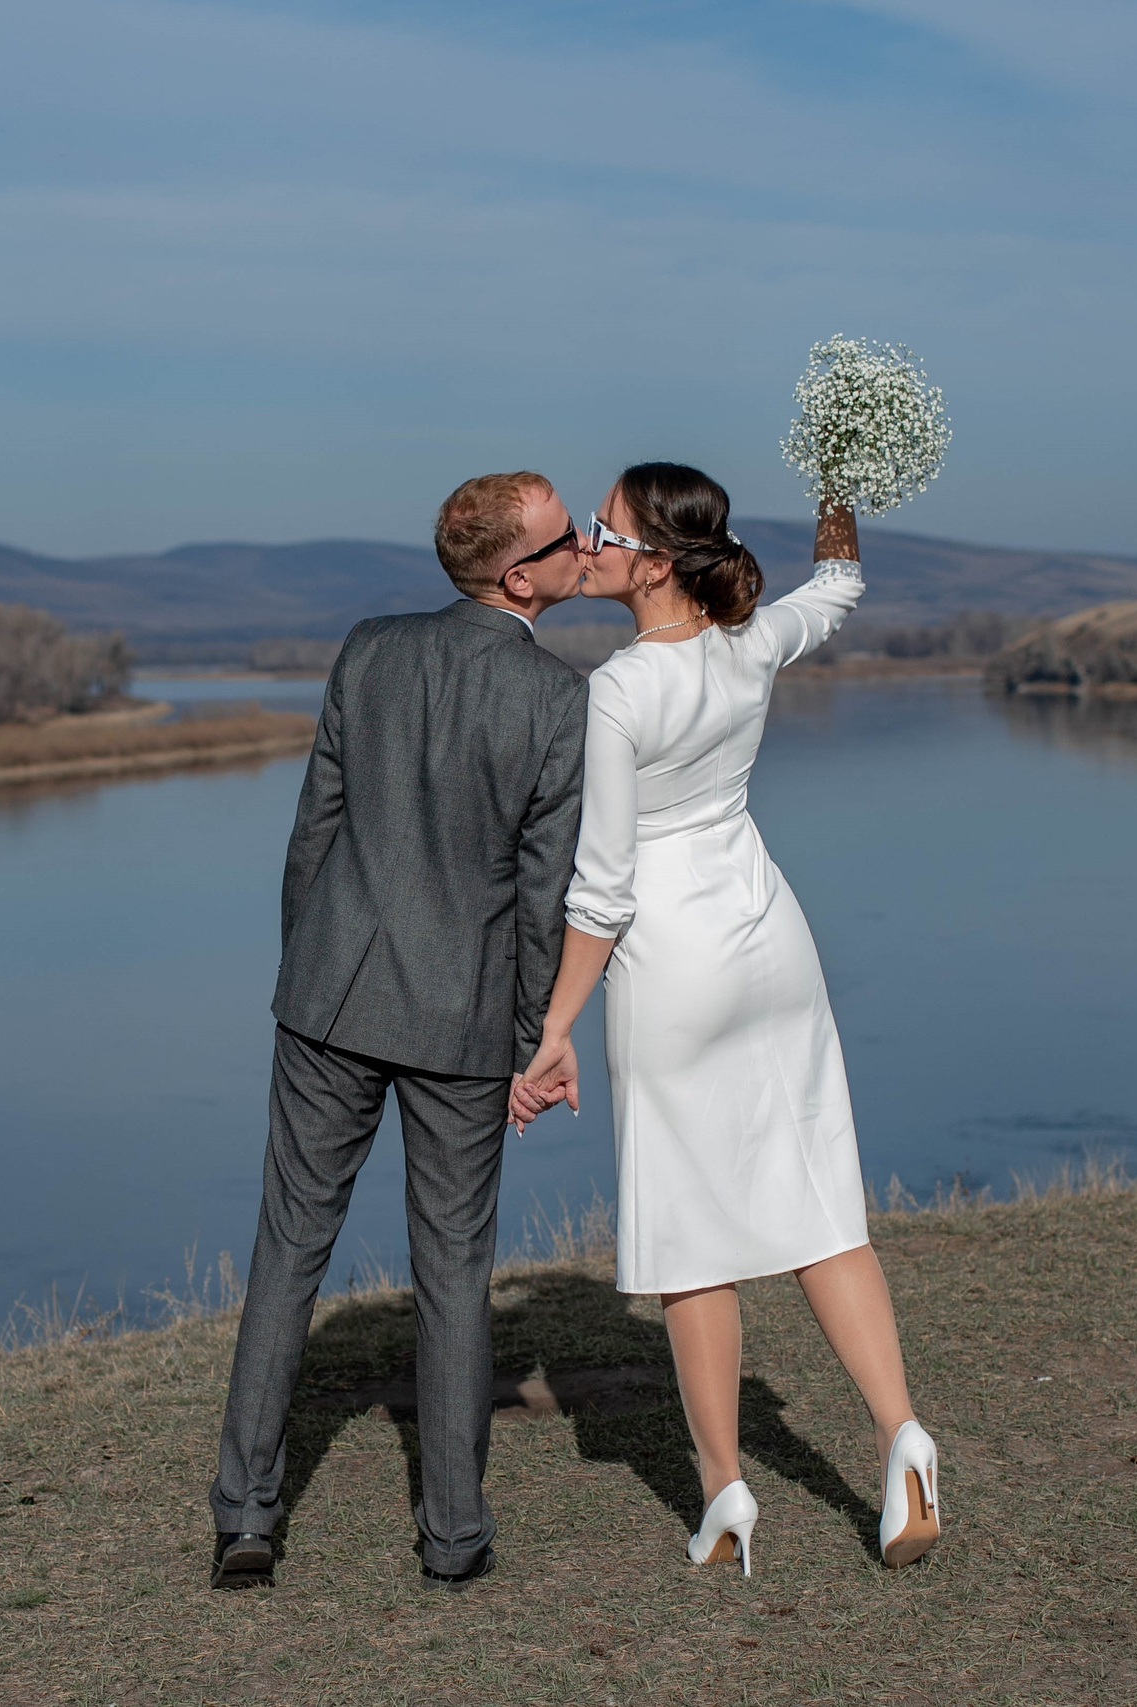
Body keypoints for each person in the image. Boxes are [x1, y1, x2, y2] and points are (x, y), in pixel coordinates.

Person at [511, 464, 942, 1575]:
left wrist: (555, 1025)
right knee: (819, 1201)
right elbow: (836, 588)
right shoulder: (748, 645)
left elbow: (601, 889)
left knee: (694, 1240)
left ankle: (724, 1494)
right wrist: (840, 488)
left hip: (675, 967)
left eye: (605, 528)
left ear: (655, 558)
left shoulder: (619, 689)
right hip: (773, 945)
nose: (591, 541)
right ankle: (900, 1434)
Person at [208, 471, 590, 1591]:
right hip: (462, 1017)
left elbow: (311, 834)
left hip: (328, 995)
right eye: (567, 537)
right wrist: (533, 1040)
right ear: (518, 573)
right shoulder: (559, 702)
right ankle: (453, 1539)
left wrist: (308, 970)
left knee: (288, 1250)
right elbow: (542, 892)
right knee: (455, 1269)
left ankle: (244, 1518)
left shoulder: (368, 648)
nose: (586, 548)